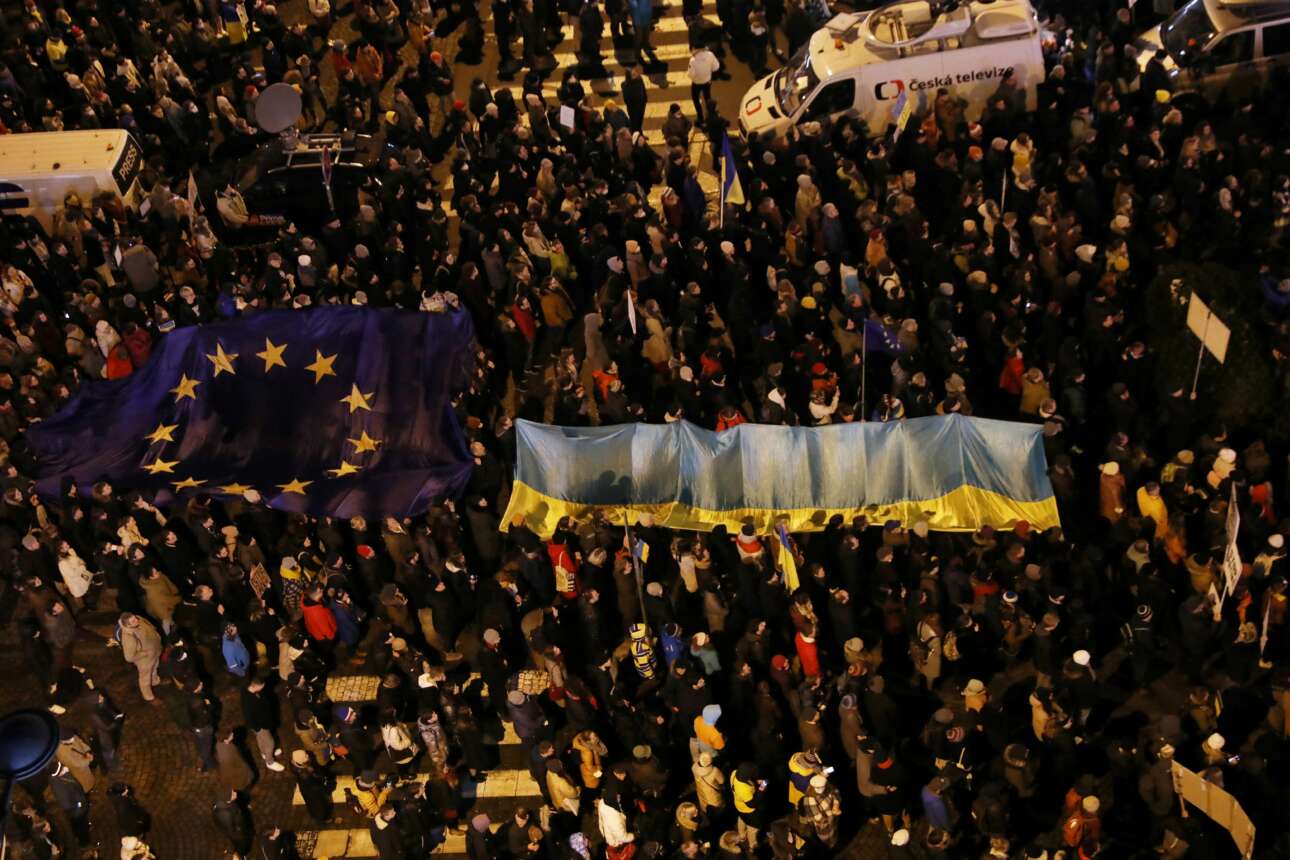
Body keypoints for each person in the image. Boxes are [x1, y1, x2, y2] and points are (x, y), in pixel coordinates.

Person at [687, 43, 721, 124]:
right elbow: (716, 67)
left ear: (695, 49)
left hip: (696, 83)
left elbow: (690, 74)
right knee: (707, 98)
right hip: (707, 81)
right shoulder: (710, 55)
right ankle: (710, 114)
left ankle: (700, 117)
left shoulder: (693, 60)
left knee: (696, 99)